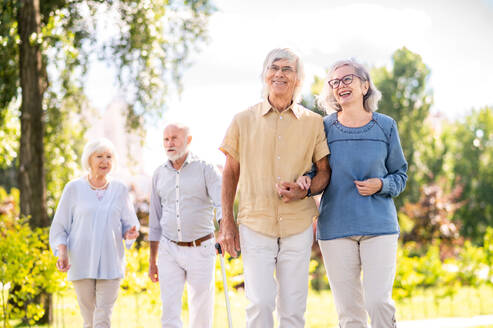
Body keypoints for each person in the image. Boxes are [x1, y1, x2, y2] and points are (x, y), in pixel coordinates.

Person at [218, 48, 331, 327]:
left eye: (287, 69)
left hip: (298, 224)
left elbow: (325, 173)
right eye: (274, 68)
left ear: (298, 79)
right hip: (255, 222)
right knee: (260, 303)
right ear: (265, 75)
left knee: (293, 309)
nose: (279, 74)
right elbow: (230, 172)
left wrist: (305, 190)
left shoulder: (314, 122)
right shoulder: (243, 120)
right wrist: (227, 223)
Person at [298, 58, 408, 328]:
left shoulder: (385, 126)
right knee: (349, 314)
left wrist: (381, 185)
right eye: (334, 82)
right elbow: (315, 170)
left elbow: (400, 175)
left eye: (347, 79)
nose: (340, 86)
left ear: (365, 85)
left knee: (378, 302)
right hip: (335, 228)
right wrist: (304, 180)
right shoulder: (322, 127)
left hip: (379, 226)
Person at [49, 138, 140, 328]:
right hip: (81, 262)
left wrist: (130, 233)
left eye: (109, 157)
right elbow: (60, 226)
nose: (105, 161)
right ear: (89, 160)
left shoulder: (120, 189)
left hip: (111, 262)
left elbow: (129, 224)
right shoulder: (73, 188)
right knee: (89, 320)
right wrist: (62, 252)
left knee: (102, 319)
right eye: (99, 156)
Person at [148, 123, 222, 328]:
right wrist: (152, 259)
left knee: (201, 309)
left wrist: (225, 229)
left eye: (174, 138)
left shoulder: (206, 168)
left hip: (201, 248)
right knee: (169, 310)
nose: (169, 143)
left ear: (188, 140)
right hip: (169, 249)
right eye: (166, 139)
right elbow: (155, 220)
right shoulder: (158, 174)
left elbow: (221, 203)